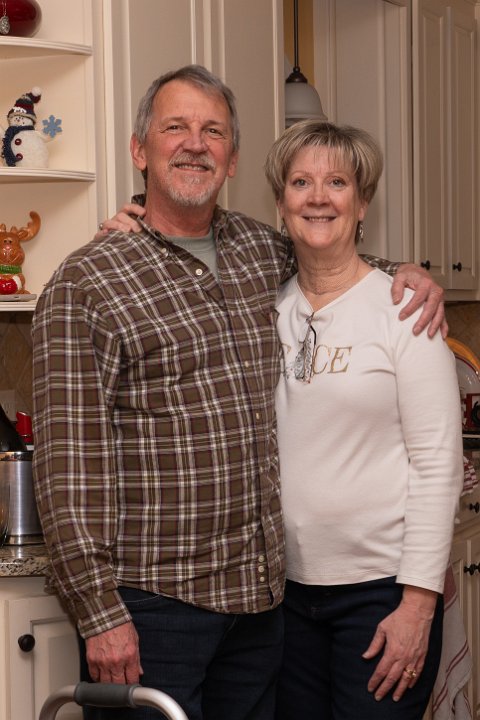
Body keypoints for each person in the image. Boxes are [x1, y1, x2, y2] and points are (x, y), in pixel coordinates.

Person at [32, 65, 446, 720]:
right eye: (175, 127)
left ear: (232, 159)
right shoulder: (89, 280)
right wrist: (98, 613)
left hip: (258, 609)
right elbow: (67, 467)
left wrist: (408, 273)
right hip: (153, 608)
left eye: (213, 131)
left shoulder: (259, 253)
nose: (195, 144)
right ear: (140, 149)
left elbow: (330, 255)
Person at [262, 120, 463, 720]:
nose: (318, 197)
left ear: (363, 202)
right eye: (301, 182)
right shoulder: (266, 309)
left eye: (338, 182)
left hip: (383, 594)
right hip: (283, 597)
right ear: (281, 203)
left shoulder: (405, 311)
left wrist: (418, 605)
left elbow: (438, 464)